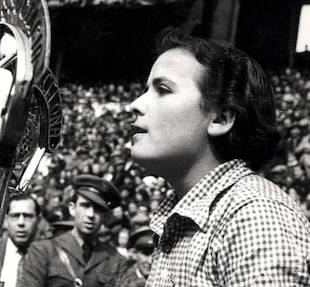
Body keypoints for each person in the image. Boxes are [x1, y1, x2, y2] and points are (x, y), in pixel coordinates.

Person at [129, 28, 310, 286]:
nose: (135, 104)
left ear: (220, 118)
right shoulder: (183, 215)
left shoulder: (254, 216)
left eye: (163, 89)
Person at [21, 174, 126, 287]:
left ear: (105, 216)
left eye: (98, 209)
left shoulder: (115, 260)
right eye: (85, 206)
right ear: (72, 208)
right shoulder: (44, 251)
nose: (90, 214)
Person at [0, 194, 40, 287]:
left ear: (38, 220)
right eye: (15, 216)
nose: (21, 223)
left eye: (28, 216)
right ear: (6, 220)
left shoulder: (49, 254)